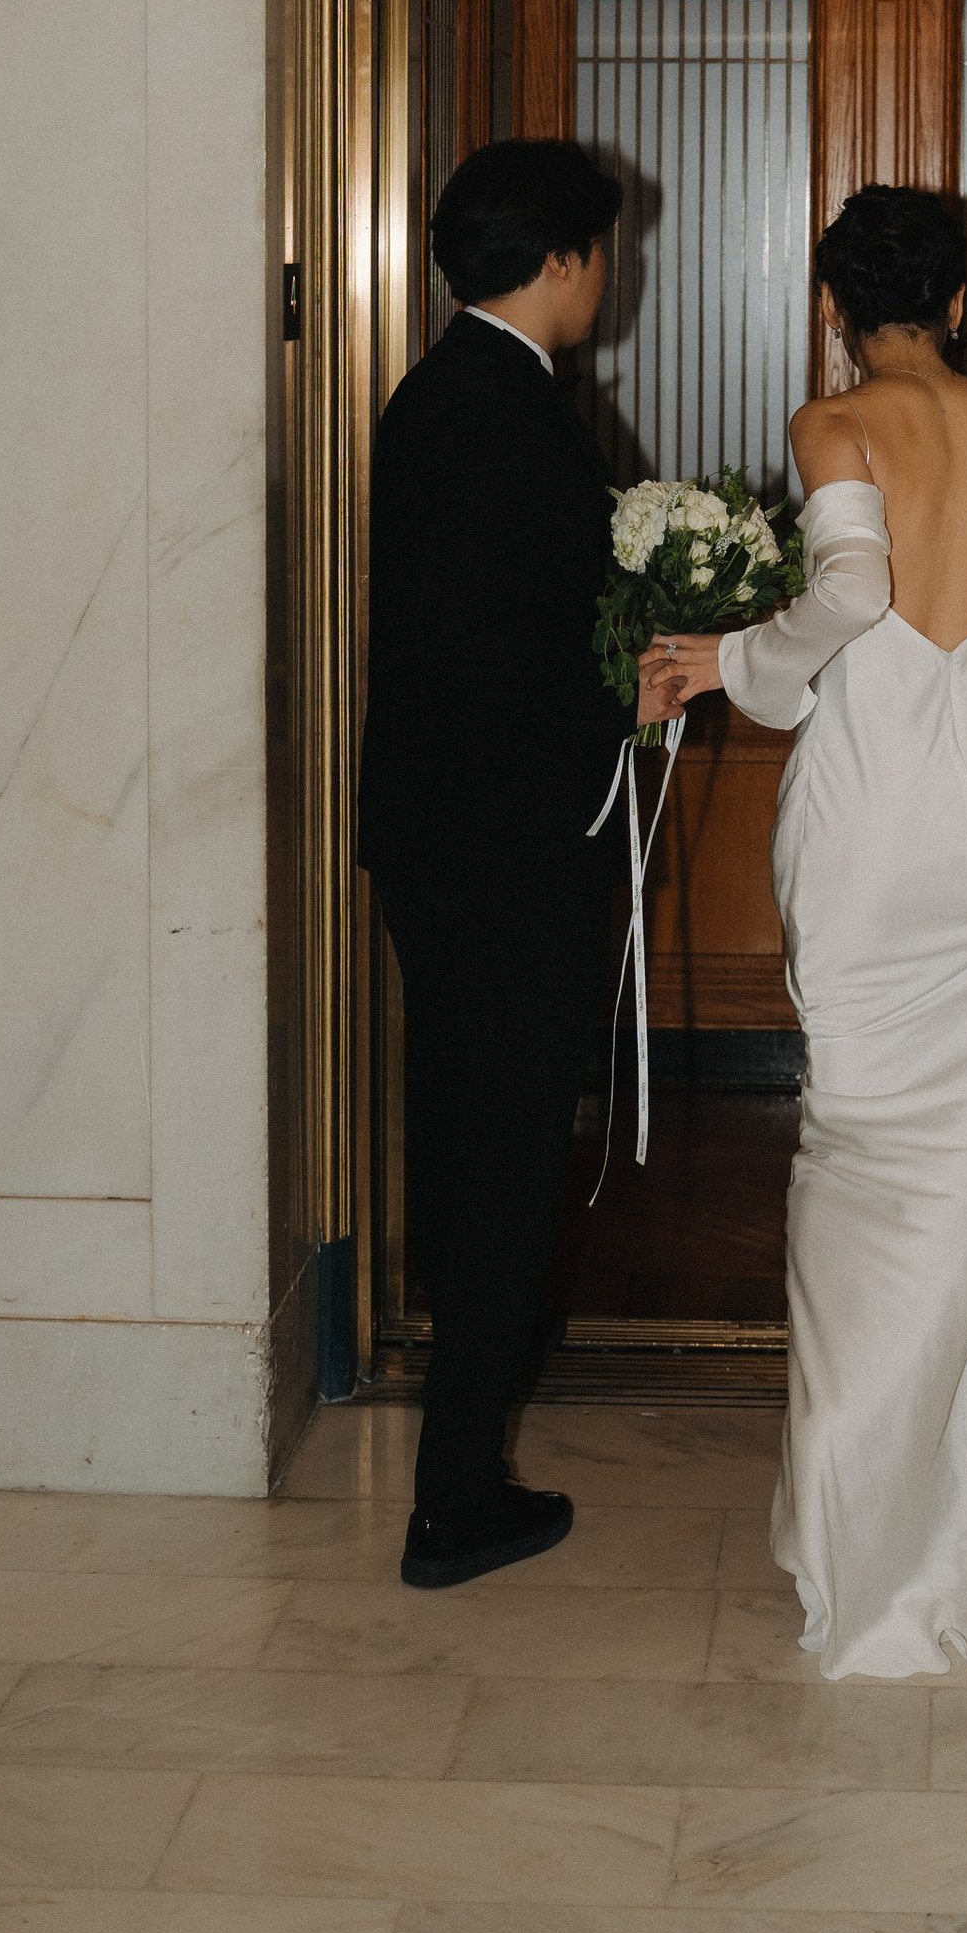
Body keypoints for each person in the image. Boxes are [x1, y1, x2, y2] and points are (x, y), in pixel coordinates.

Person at [639, 182, 967, 1680]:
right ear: (960, 302)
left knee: (861, 1138)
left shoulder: (834, 422)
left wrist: (742, 661)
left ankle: (864, 1526)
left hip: (874, 821)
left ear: (833, 307)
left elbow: (855, 587)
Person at [359, 136, 630, 1590]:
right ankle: (454, 1503)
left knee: (479, 1151)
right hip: (502, 852)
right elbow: (490, 658)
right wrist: (628, 693)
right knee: (504, 1162)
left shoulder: (446, 392)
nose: (609, 280)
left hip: (451, 840)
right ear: (563, 258)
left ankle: (458, 1475)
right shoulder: (496, 406)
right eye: (604, 253)